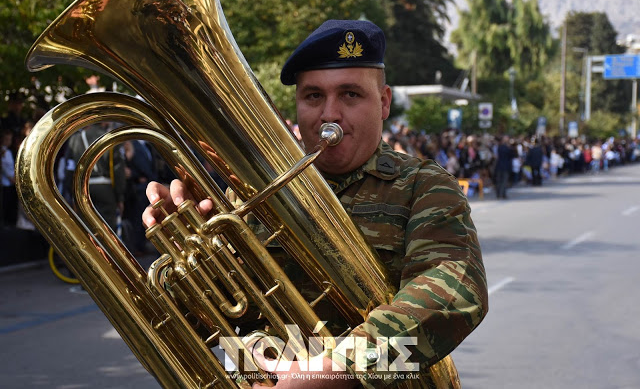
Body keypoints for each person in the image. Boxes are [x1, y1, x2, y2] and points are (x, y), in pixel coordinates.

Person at [143, 20, 488, 388]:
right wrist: (186, 259)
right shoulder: (250, 193)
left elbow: (455, 295)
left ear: (383, 102)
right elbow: (207, 320)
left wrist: (335, 370)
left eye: (350, 95)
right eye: (313, 97)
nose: (329, 114)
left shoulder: (423, 185)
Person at [63, 123, 126, 232]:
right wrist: (120, 197)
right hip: (105, 189)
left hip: (82, 189)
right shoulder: (109, 138)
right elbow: (118, 170)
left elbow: (69, 169)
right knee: (106, 229)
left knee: (85, 229)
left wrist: (73, 192)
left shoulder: (75, 140)